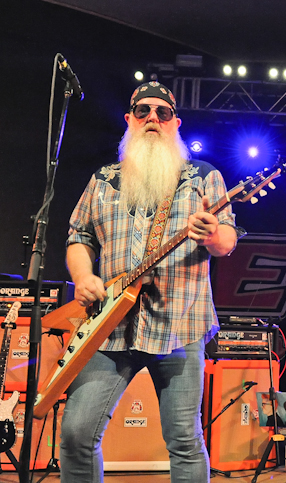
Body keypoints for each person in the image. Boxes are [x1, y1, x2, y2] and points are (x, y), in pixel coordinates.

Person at [59, 81, 242, 483]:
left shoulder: (203, 176)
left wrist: (211, 235)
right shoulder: (104, 178)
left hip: (180, 324)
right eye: (143, 112)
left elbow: (226, 240)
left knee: (184, 440)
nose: (152, 119)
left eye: (162, 113)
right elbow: (78, 237)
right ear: (129, 120)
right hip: (108, 327)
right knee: (76, 433)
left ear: (176, 123)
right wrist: (84, 275)